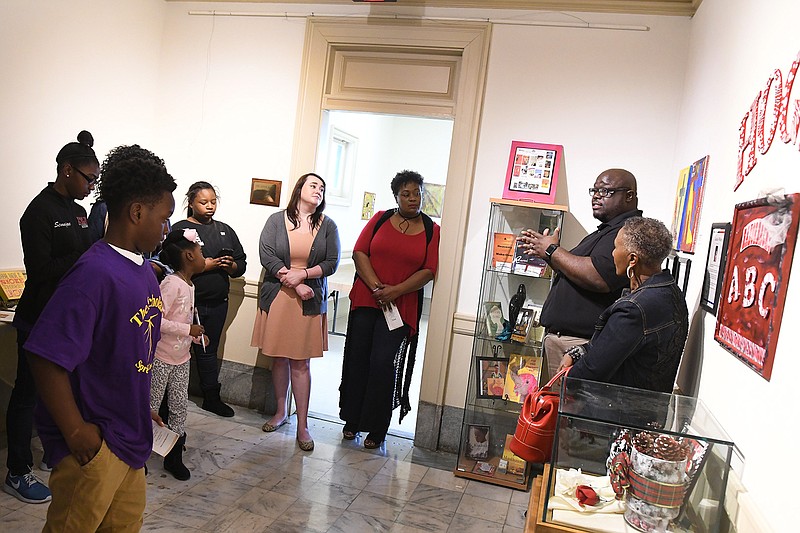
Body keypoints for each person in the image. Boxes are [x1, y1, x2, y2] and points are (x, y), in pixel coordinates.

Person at [25, 147, 176, 531]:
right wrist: (76, 431)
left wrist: (141, 409)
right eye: (164, 219)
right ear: (137, 212)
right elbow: (46, 357)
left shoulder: (143, 271)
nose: (166, 229)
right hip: (97, 447)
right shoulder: (93, 274)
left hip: (133, 438)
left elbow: (125, 353)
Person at [5, 130, 97, 504]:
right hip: (37, 318)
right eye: (87, 178)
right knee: (27, 395)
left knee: (63, 391)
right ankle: (16, 470)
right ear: (66, 170)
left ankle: (52, 453)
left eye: (95, 180)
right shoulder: (38, 211)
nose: (91, 186)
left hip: (68, 318)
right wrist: (86, 257)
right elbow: (40, 270)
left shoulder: (79, 212)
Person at [339, 170, 440, 449]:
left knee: (383, 364)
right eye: (406, 194)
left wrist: (394, 291)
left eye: (417, 193)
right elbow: (360, 252)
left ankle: (377, 427)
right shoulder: (381, 218)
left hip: (400, 306)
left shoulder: (432, 230)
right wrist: (376, 288)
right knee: (357, 359)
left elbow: (429, 270)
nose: (412, 198)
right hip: (366, 300)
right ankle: (352, 420)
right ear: (396, 196)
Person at [518, 168, 642, 379]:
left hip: (578, 345)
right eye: (594, 190)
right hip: (563, 342)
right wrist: (550, 256)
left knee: (567, 409)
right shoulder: (606, 230)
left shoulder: (627, 232)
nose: (596, 195)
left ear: (629, 196)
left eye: (605, 191)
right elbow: (578, 273)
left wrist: (552, 250)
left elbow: (599, 277)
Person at [251, 173, 340, 452]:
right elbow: (266, 254)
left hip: (309, 299)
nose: (318, 190)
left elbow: (331, 262)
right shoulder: (276, 221)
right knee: (278, 358)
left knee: (300, 363)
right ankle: (280, 412)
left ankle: (303, 425)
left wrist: (302, 277)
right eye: (313, 185)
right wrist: (290, 279)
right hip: (279, 296)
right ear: (299, 189)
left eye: (322, 188)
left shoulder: (328, 226)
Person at [557, 217, 689, 393]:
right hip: (648, 410)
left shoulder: (634, 309)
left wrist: (569, 380)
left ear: (632, 259)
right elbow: (617, 348)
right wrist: (577, 352)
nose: (612, 253)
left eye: (616, 247)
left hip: (618, 412)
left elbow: (593, 371)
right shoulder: (671, 292)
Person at [173, 182, 247, 417]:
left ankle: (211, 398)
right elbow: (172, 264)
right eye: (204, 202)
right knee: (175, 350)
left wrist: (231, 265)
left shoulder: (225, 229)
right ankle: (171, 398)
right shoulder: (181, 229)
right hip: (187, 302)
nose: (210, 206)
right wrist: (207, 265)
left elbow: (241, 263)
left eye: (213, 201)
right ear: (191, 203)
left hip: (217, 303)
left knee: (208, 350)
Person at [150, 228, 207, 480]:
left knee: (179, 407)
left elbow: (183, 320)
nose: (204, 255)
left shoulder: (189, 284)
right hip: (162, 358)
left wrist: (195, 336)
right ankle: (137, 454)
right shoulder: (171, 284)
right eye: (201, 251)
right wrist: (188, 329)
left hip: (182, 360)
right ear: (189, 255)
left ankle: (173, 457)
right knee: (151, 406)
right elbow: (156, 319)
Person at [88, 145, 173, 280]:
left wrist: (154, 265)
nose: (166, 229)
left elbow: (166, 248)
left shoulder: (158, 209)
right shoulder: (103, 210)